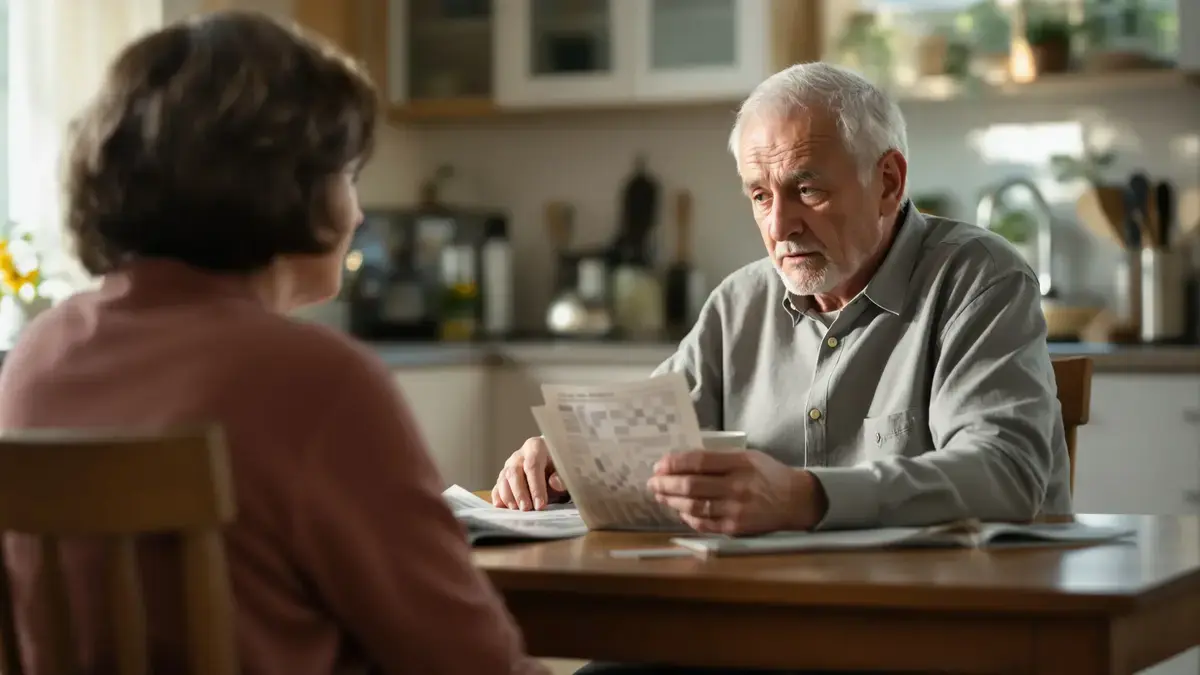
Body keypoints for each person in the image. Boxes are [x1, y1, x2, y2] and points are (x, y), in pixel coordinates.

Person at [0, 11, 546, 675]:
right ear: (287, 188)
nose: (360, 211)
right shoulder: (318, 381)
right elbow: (474, 663)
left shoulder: (37, 355)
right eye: (348, 174)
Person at [493, 61, 1070, 674]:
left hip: (935, 638)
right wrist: (566, 456)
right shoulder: (740, 303)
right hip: (758, 630)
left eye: (808, 190)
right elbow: (649, 437)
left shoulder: (980, 281)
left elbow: (1007, 474)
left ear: (888, 182)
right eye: (760, 196)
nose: (779, 227)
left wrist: (804, 496)